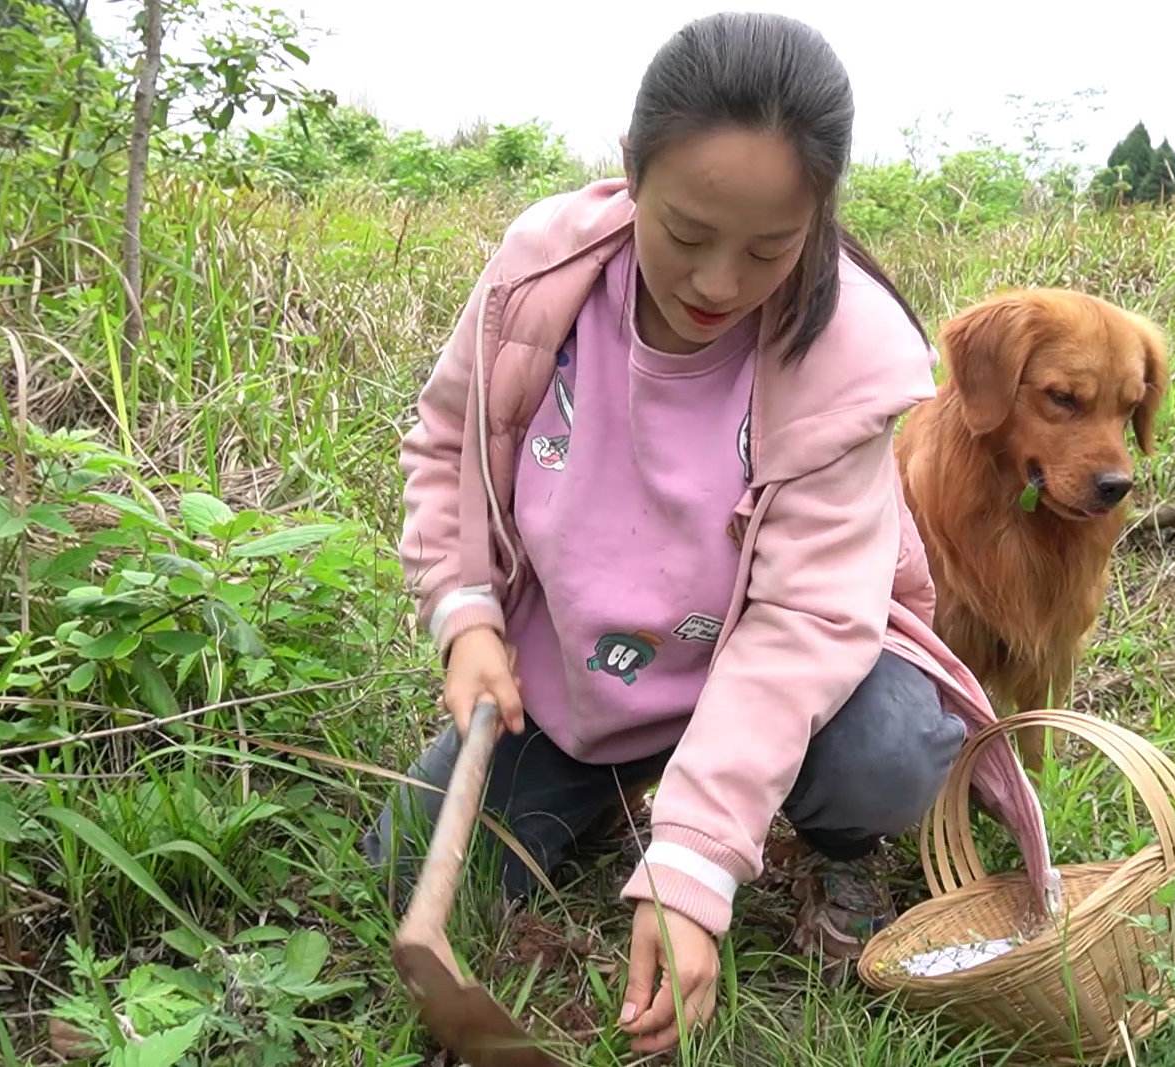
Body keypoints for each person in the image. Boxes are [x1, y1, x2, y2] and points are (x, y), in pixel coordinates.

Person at [364, 11, 1050, 1055]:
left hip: (768, 682)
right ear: (631, 172)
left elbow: (803, 624)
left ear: (816, 220)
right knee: (399, 864)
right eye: (684, 233)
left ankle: (826, 838)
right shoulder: (542, 278)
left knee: (892, 745)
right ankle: (608, 783)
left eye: (766, 249)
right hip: (576, 679)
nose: (717, 283)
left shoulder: (848, 361)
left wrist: (693, 868)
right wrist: (464, 614)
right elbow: (447, 439)